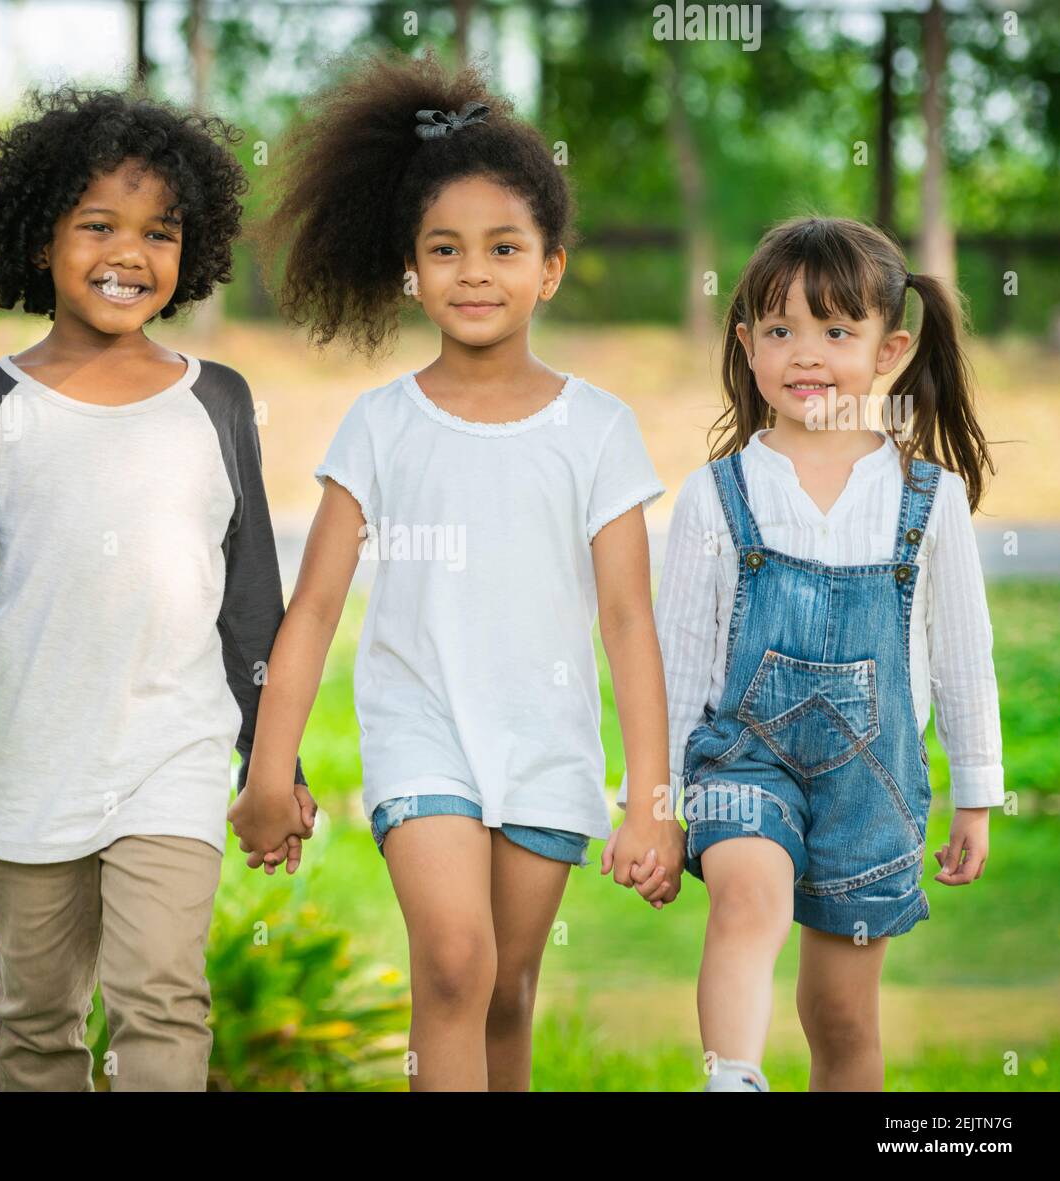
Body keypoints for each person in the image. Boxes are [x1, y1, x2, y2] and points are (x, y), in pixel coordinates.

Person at [230, 51, 682, 1092]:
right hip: (420, 729)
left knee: (507, 990)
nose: (473, 272)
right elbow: (312, 611)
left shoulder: (597, 428)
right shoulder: (380, 424)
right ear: (408, 267)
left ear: (550, 268)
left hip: (544, 744)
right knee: (453, 963)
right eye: (445, 249)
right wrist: (268, 765)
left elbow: (627, 621)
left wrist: (649, 796)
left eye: (503, 248)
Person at [0, 88, 310, 1091]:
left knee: (159, 997)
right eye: (97, 225)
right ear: (38, 239)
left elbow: (250, 599)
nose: (130, 252)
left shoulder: (218, 398)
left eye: (160, 231)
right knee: (34, 1017)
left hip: (173, 750)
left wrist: (270, 758)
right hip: (35, 753)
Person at [649, 215, 1002, 1091]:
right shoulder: (718, 494)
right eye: (780, 330)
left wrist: (977, 794)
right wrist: (654, 800)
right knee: (746, 899)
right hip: (743, 760)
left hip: (872, 782)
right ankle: (731, 1075)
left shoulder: (930, 498)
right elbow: (679, 661)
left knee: (840, 1018)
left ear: (890, 350)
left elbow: (963, 655)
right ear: (747, 344)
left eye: (836, 331)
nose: (806, 354)